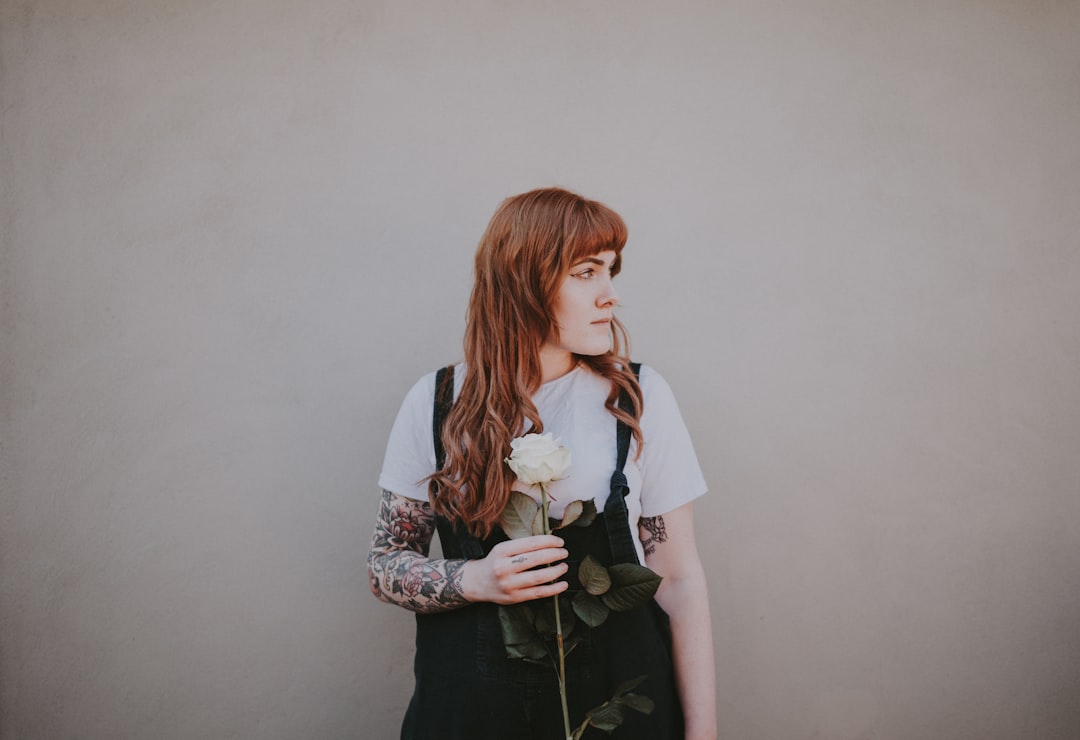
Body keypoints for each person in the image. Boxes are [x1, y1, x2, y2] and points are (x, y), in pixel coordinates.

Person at [368, 187, 717, 740]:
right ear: (523, 280)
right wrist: (475, 578)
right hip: (471, 716)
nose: (611, 296)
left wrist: (703, 735)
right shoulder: (437, 401)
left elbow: (678, 580)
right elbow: (386, 565)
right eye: (586, 273)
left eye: (611, 271)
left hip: (618, 710)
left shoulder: (636, 397)